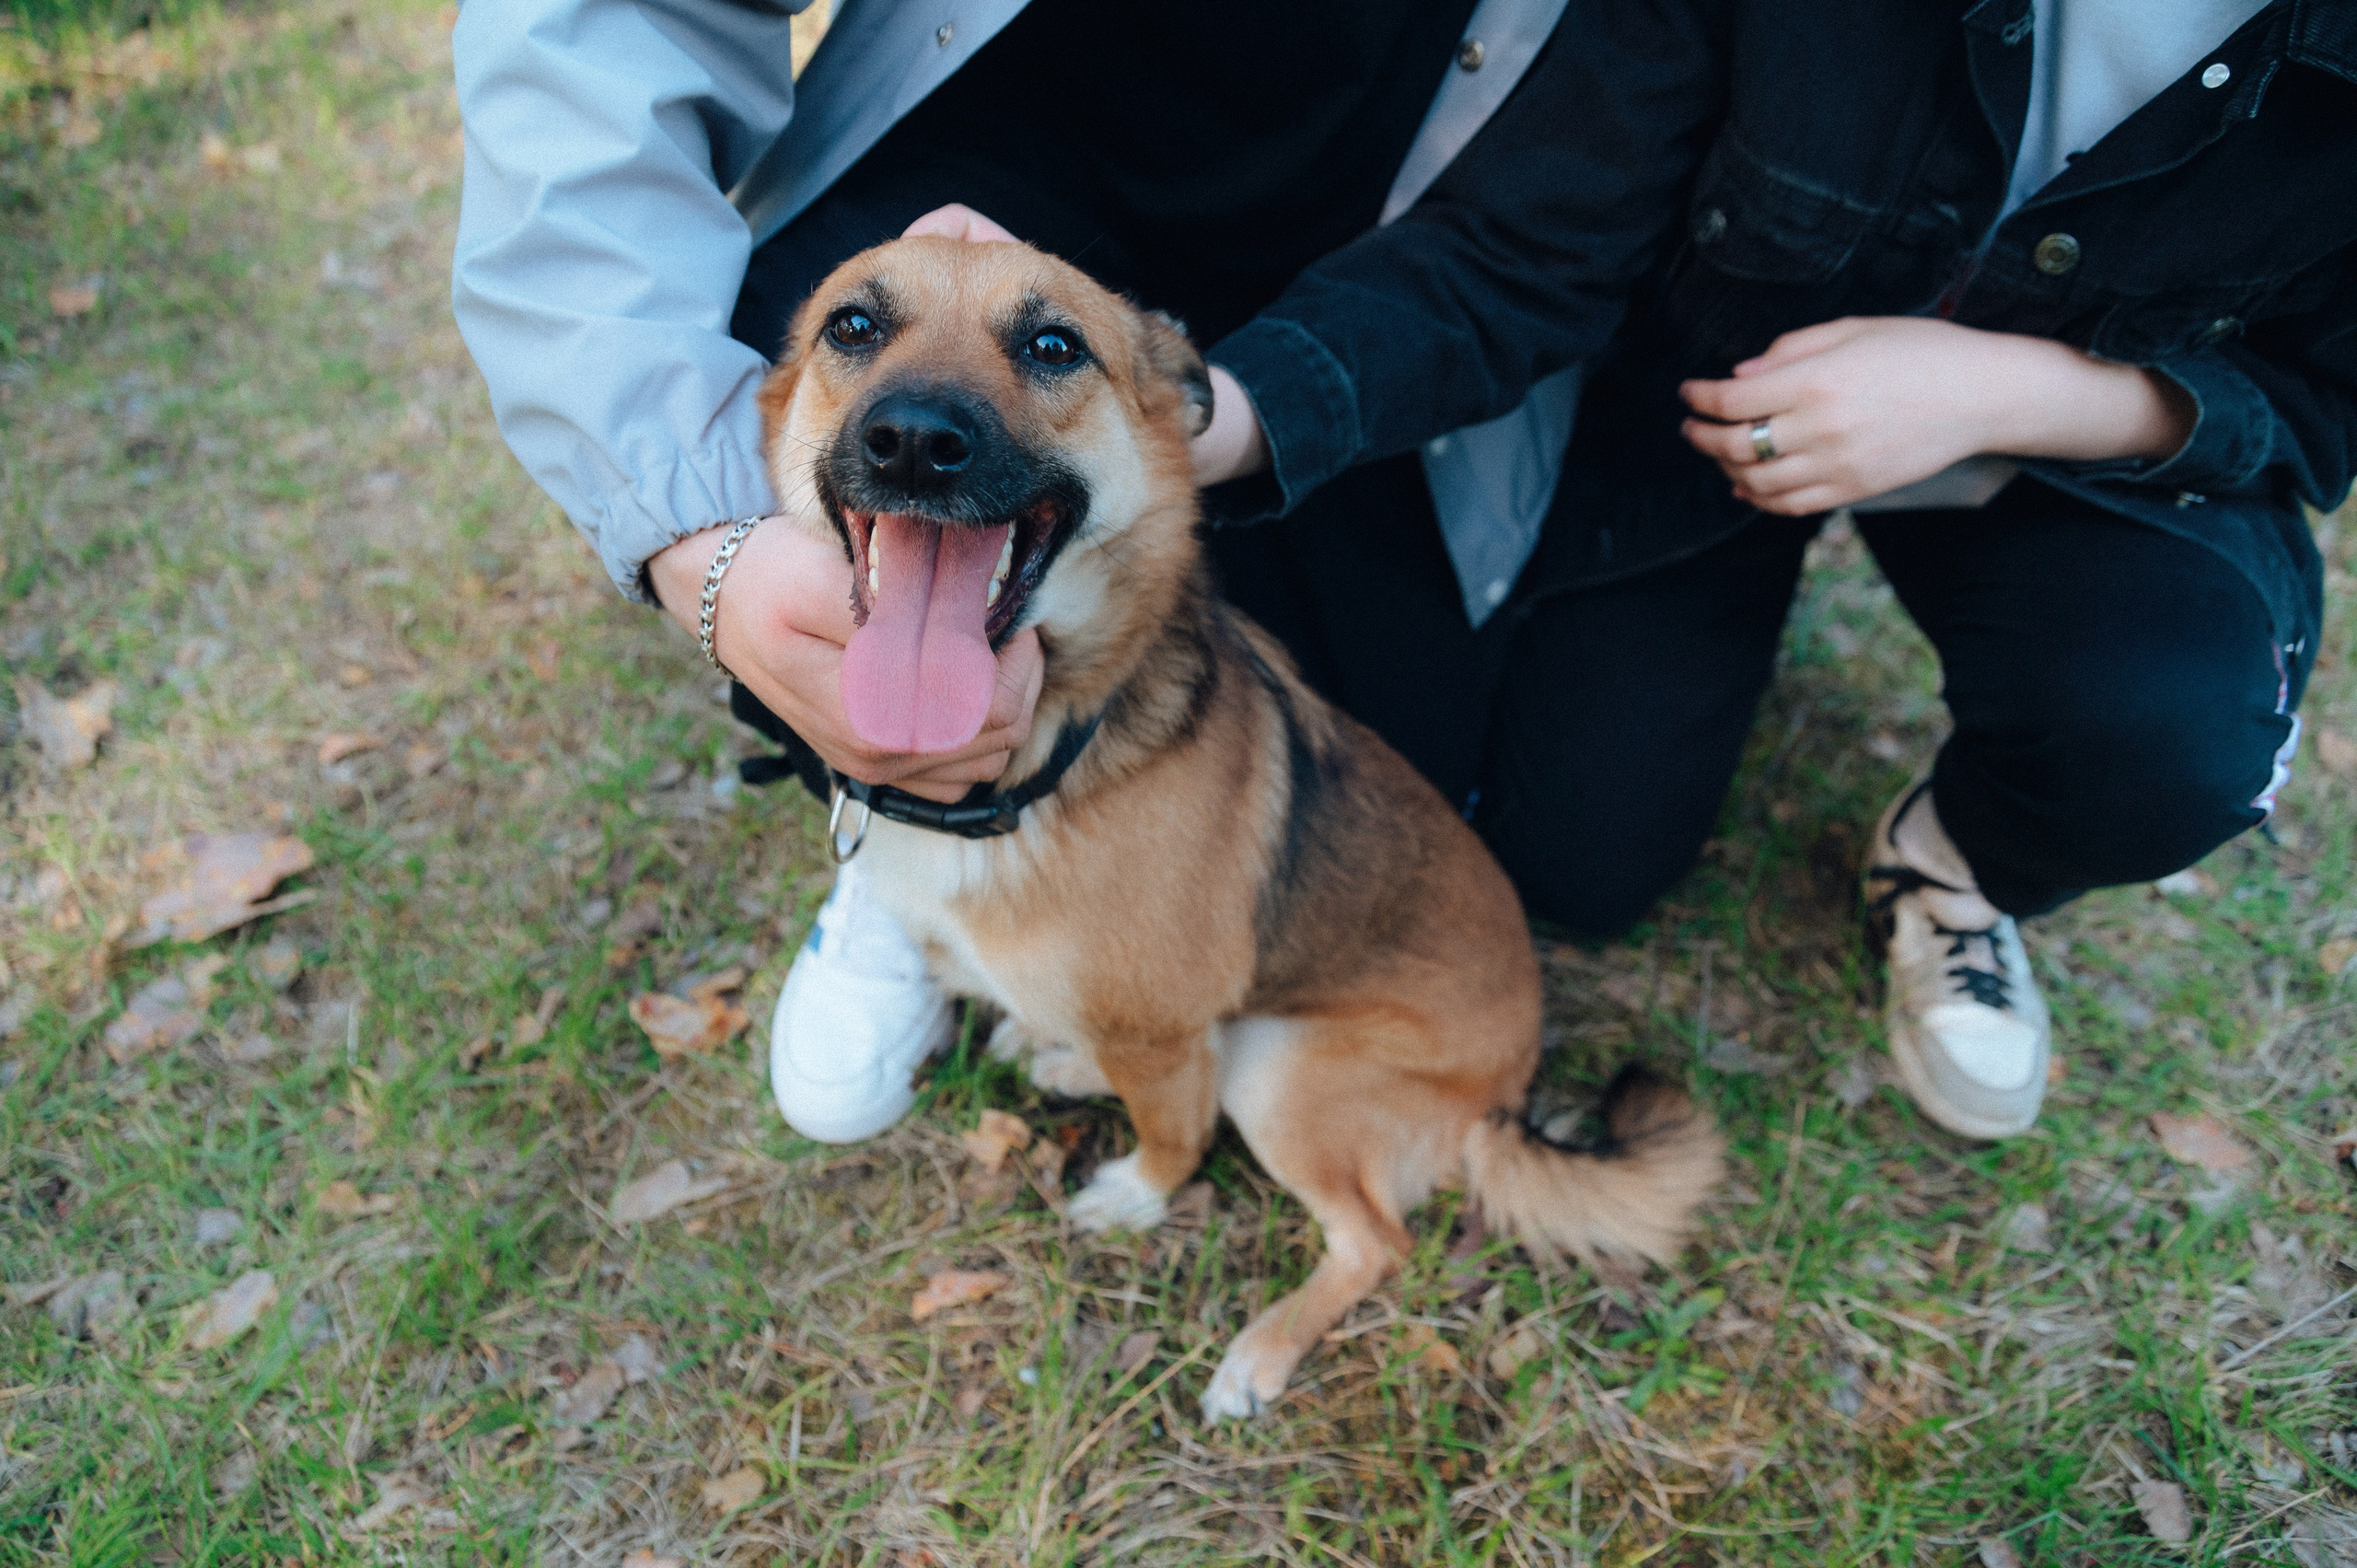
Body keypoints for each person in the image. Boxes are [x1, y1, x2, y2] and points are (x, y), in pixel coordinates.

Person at [455, 0, 2356, 1145]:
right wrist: (696, 535)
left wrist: (2026, 393)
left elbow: (1538, 237)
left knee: (1574, 849)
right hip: (1015, 184)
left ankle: (1951, 866)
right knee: (908, 444)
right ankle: (904, 833)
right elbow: (593, 37)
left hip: (1407, 253)